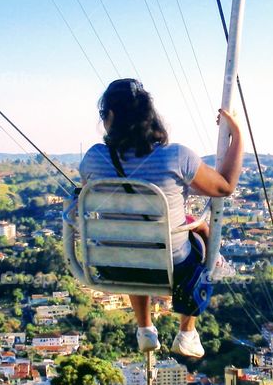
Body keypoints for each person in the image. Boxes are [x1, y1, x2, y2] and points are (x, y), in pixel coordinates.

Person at [79, 78, 244, 358]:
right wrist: (237, 135)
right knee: (205, 242)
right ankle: (187, 333)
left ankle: (145, 329)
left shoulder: (93, 158)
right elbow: (225, 186)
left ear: (111, 117)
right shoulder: (177, 157)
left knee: (131, 239)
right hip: (174, 268)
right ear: (149, 116)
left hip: (112, 265)